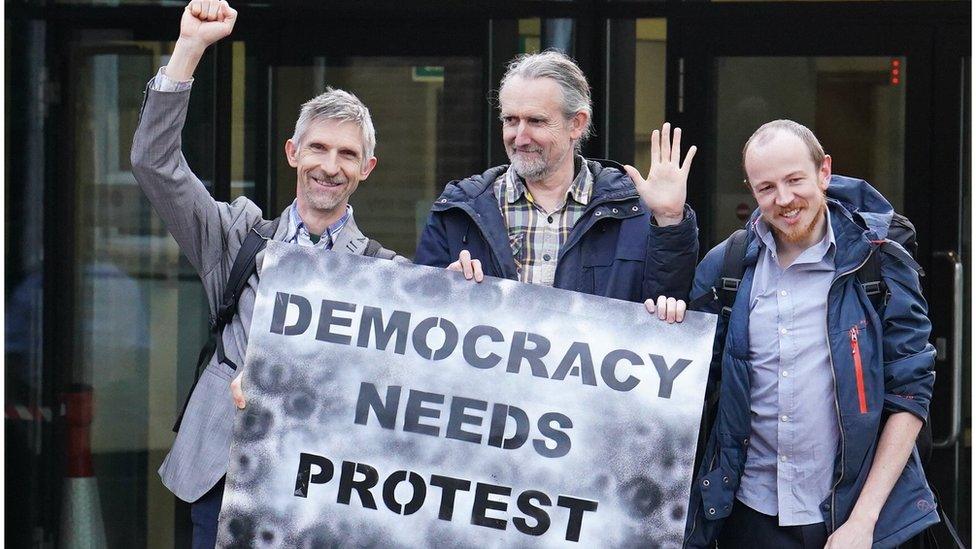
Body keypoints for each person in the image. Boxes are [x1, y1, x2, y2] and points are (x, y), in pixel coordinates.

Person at [129, 1, 400, 546]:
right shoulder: (236, 239)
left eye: (347, 154)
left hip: (321, 486)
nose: (330, 165)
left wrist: (465, 287)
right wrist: (190, 48)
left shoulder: (387, 274)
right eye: (318, 148)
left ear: (366, 169)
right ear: (292, 152)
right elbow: (155, 164)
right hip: (220, 469)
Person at [683, 120, 937, 548]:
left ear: (824, 172)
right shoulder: (725, 268)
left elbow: (910, 394)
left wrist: (864, 521)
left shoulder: (877, 263)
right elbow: (690, 385)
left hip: (854, 514)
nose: (783, 199)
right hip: (751, 513)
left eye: (794, 180)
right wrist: (669, 314)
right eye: (766, 188)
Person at [414, 50, 698, 317]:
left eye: (536, 121)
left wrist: (669, 220)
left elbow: (667, 313)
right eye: (511, 120)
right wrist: (444, 292)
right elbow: (421, 319)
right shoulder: (457, 212)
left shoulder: (633, 212)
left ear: (576, 124)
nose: (520, 137)